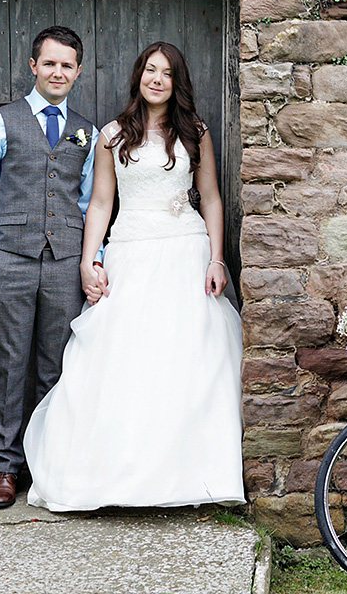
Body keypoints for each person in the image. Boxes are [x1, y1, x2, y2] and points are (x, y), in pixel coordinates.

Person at [23, 41, 245, 511]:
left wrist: (216, 258)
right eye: (150, 70)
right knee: (123, 360)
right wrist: (89, 261)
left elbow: (211, 199)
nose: (157, 79)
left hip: (186, 253)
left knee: (186, 363)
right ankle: (118, 474)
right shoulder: (111, 136)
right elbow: (101, 204)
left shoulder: (195, 133)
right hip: (131, 253)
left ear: (176, 81)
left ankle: (185, 477)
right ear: (138, 77)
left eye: (166, 72)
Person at [0, 26, 102, 508]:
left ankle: (48, 466)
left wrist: (93, 259)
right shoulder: (1, 122)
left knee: (56, 366)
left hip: (66, 262)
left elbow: (90, 204)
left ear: (78, 71)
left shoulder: (88, 130)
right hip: (11, 261)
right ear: (33, 66)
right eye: (49, 63)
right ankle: (5, 467)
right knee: (7, 364)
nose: (58, 72)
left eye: (67, 65)